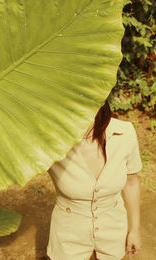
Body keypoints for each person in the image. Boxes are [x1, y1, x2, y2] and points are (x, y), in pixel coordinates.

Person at [46, 95, 143, 260]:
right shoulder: (50, 140)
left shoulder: (124, 133)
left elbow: (131, 184)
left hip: (113, 226)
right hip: (68, 234)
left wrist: (134, 229)